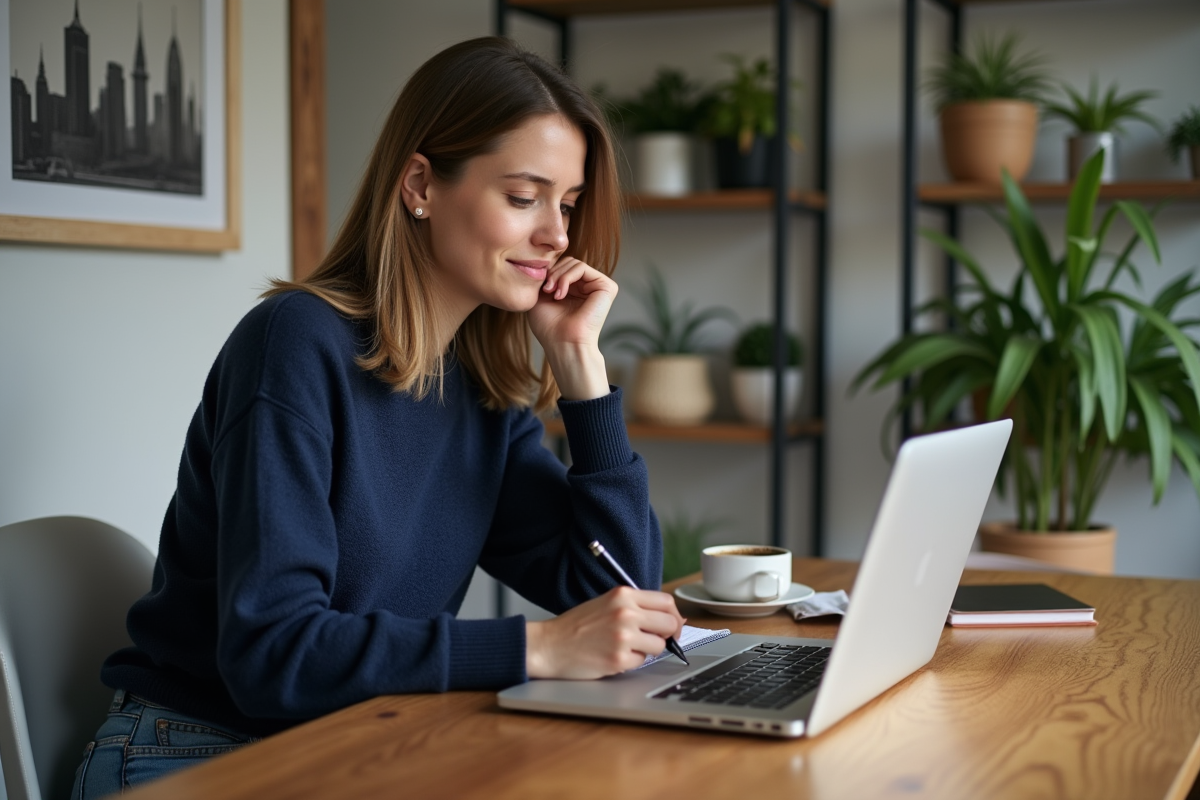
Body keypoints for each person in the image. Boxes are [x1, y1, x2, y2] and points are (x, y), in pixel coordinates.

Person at [71, 37, 684, 798]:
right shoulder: (295, 344)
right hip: (196, 753)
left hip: (356, 742)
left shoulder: (479, 384)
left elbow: (619, 592)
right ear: (420, 184)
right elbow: (274, 653)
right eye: (524, 198)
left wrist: (583, 382)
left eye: (567, 204)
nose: (558, 235)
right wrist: (537, 648)